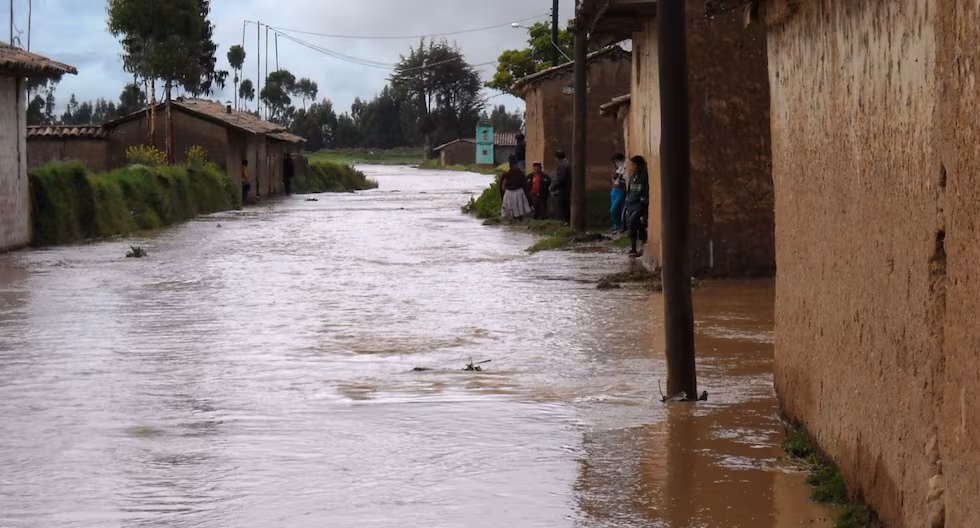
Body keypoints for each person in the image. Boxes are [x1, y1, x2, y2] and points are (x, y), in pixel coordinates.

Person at [623, 155, 650, 258]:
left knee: (634, 221)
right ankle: (633, 247)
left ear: (639, 165)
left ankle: (641, 243)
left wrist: (643, 202)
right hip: (630, 204)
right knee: (629, 223)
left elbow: (646, 191)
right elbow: (629, 191)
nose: (632, 167)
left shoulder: (643, 177)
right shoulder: (632, 177)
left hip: (639, 204)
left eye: (633, 165)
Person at [549, 151, 572, 224]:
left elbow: (560, 178)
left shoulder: (564, 165)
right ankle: (566, 221)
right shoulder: (566, 164)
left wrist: (552, 187)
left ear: (557, 158)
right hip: (565, 188)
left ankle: (566, 221)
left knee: (563, 205)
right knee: (564, 205)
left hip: (564, 189)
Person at [610, 153, 628, 232]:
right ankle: (616, 225)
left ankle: (619, 226)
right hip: (614, 190)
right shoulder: (617, 169)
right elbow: (614, 179)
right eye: (615, 162)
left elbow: (626, 179)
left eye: (617, 161)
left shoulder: (625, 168)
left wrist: (619, 177)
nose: (616, 163)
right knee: (615, 210)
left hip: (621, 190)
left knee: (613, 209)